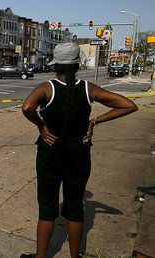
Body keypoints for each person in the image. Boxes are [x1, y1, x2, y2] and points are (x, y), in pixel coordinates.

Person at [21, 42, 138, 258]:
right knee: (75, 208)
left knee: (47, 208)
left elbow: (27, 108)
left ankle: (40, 257)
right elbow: (129, 105)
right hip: (79, 154)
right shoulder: (88, 89)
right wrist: (95, 122)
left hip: (50, 154)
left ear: (56, 66)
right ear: (77, 65)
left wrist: (41, 126)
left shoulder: (47, 88)